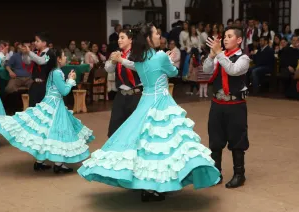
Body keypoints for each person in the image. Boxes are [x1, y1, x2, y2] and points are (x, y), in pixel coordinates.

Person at [78, 23, 220, 202]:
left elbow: (133, 65)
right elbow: (173, 71)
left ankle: (148, 186)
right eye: (155, 33)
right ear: (147, 38)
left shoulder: (139, 56)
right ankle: (156, 186)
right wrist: (167, 60)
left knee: (145, 143)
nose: (159, 36)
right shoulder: (160, 56)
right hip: (161, 101)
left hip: (145, 101)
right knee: (162, 144)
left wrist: (122, 61)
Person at [0, 48, 94, 173]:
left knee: (45, 131)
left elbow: (52, 89)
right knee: (59, 131)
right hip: (55, 105)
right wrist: (71, 80)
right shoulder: (57, 72)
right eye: (64, 56)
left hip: (49, 102)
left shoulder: (52, 72)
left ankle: (39, 162)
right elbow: (64, 91)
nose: (66, 58)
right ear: (58, 59)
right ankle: (58, 164)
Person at [203, 25, 250, 188]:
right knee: (215, 139)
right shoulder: (219, 56)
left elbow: (232, 70)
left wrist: (219, 53)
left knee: (237, 140)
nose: (225, 38)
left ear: (239, 40)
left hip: (235, 105)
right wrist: (211, 56)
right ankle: (216, 173)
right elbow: (206, 70)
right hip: (217, 103)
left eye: (229, 36)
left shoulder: (243, 58)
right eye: (225, 36)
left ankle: (239, 174)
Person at [105, 29, 142, 137]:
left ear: (130, 39)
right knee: (114, 127)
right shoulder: (116, 53)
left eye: (122, 38)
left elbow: (137, 67)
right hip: (121, 94)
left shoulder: (137, 53)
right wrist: (113, 61)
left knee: (135, 127)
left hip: (136, 95)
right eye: (118, 38)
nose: (119, 40)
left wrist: (121, 60)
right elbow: (108, 69)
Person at [22, 32, 55, 107]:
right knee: (33, 106)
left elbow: (41, 61)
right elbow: (26, 61)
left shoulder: (50, 53)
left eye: (37, 41)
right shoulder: (36, 52)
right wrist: (25, 53)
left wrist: (29, 52)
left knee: (44, 108)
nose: (35, 43)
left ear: (44, 43)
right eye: (35, 41)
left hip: (46, 85)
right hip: (35, 84)